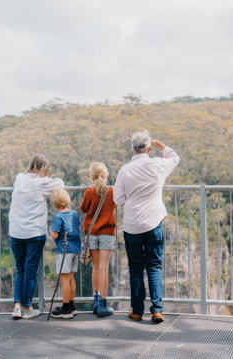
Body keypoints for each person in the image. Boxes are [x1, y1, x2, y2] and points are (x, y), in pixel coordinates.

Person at [113, 130, 180, 323]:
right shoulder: (158, 164)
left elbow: (117, 199)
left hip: (132, 225)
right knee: (154, 266)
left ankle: (137, 310)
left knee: (135, 268)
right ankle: (157, 310)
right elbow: (174, 157)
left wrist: (131, 200)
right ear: (148, 148)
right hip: (153, 222)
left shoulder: (125, 170)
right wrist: (159, 143)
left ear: (132, 149)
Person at [9, 154, 64, 319]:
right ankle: (27, 308)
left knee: (21, 269)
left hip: (16, 232)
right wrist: (46, 178)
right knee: (30, 270)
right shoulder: (41, 183)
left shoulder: (19, 178)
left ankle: (17, 306)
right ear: (44, 169)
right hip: (34, 233)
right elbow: (60, 183)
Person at [80, 162, 116, 318]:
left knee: (95, 267)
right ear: (106, 175)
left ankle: (95, 300)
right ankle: (103, 304)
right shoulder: (112, 192)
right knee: (104, 268)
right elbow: (114, 206)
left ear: (92, 177)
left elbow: (82, 208)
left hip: (92, 232)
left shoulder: (89, 191)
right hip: (107, 232)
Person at [50, 189, 82, 319]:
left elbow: (54, 235)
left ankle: (66, 309)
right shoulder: (74, 213)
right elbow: (78, 227)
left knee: (64, 280)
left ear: (54, 204)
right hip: (75, 249)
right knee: (71, 279)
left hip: (64, 251)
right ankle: (72, 306)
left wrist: (51, 233)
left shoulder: (57, 217)